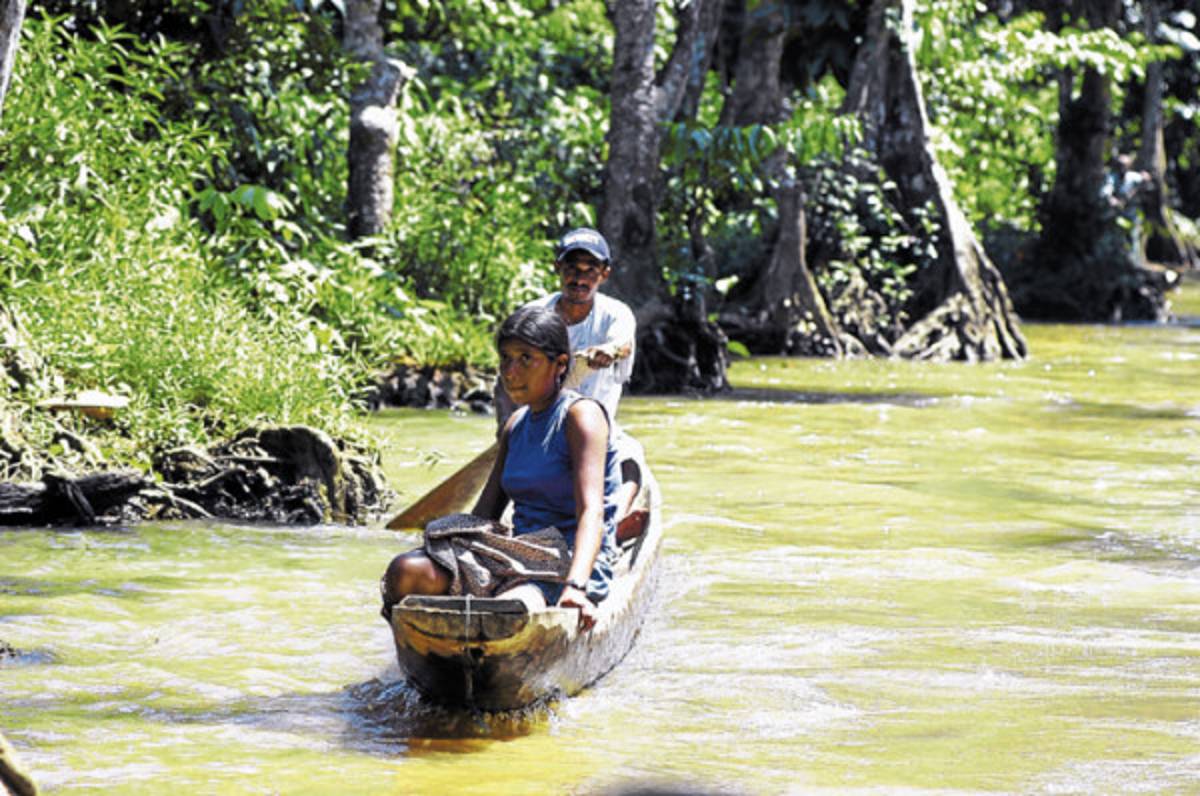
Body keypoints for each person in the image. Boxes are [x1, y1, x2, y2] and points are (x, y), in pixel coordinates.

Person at [381, 305, 621, 631]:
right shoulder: (516, 425)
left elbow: (592, 512)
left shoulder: (581, 416)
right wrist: (447, 550)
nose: (510, 372)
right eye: (505, 359)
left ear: (560, 364)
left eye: (525, 359)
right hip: (518, 555)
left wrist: (576, 587)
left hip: (570, 559)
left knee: (512, 607)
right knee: (405, 572)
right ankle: (420, 644)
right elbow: (484, 517)